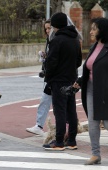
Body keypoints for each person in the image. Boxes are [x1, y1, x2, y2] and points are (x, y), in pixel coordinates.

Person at [44, 12, 82, 151]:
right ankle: (71, 140)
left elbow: (51, 63)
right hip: (72, 79)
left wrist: (49, 78)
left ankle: (59, 141)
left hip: (58, 81)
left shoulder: (57, 41)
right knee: (71, 110)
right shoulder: (75, 39)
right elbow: (78, 61)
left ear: (55, 26)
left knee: (59, 111)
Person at [73, 17, 108, 165]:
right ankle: (95, 154)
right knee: (93, 122)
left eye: (94, 28)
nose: (91, 31)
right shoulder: (94, 46)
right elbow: (90, 68)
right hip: (91, 89)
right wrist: (80, 81)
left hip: (105, 91)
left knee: (107, 123)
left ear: (103, 30)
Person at [26, 19, 53, 136]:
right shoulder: (49, 40)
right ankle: (39, 125)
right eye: (46, 28)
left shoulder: (56, 40)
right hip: (50, 76)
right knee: (45, 100)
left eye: (49, 28)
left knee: (55, 104)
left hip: (55, 77)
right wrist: (45, 56)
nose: (47, 31)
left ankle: (40, 126)